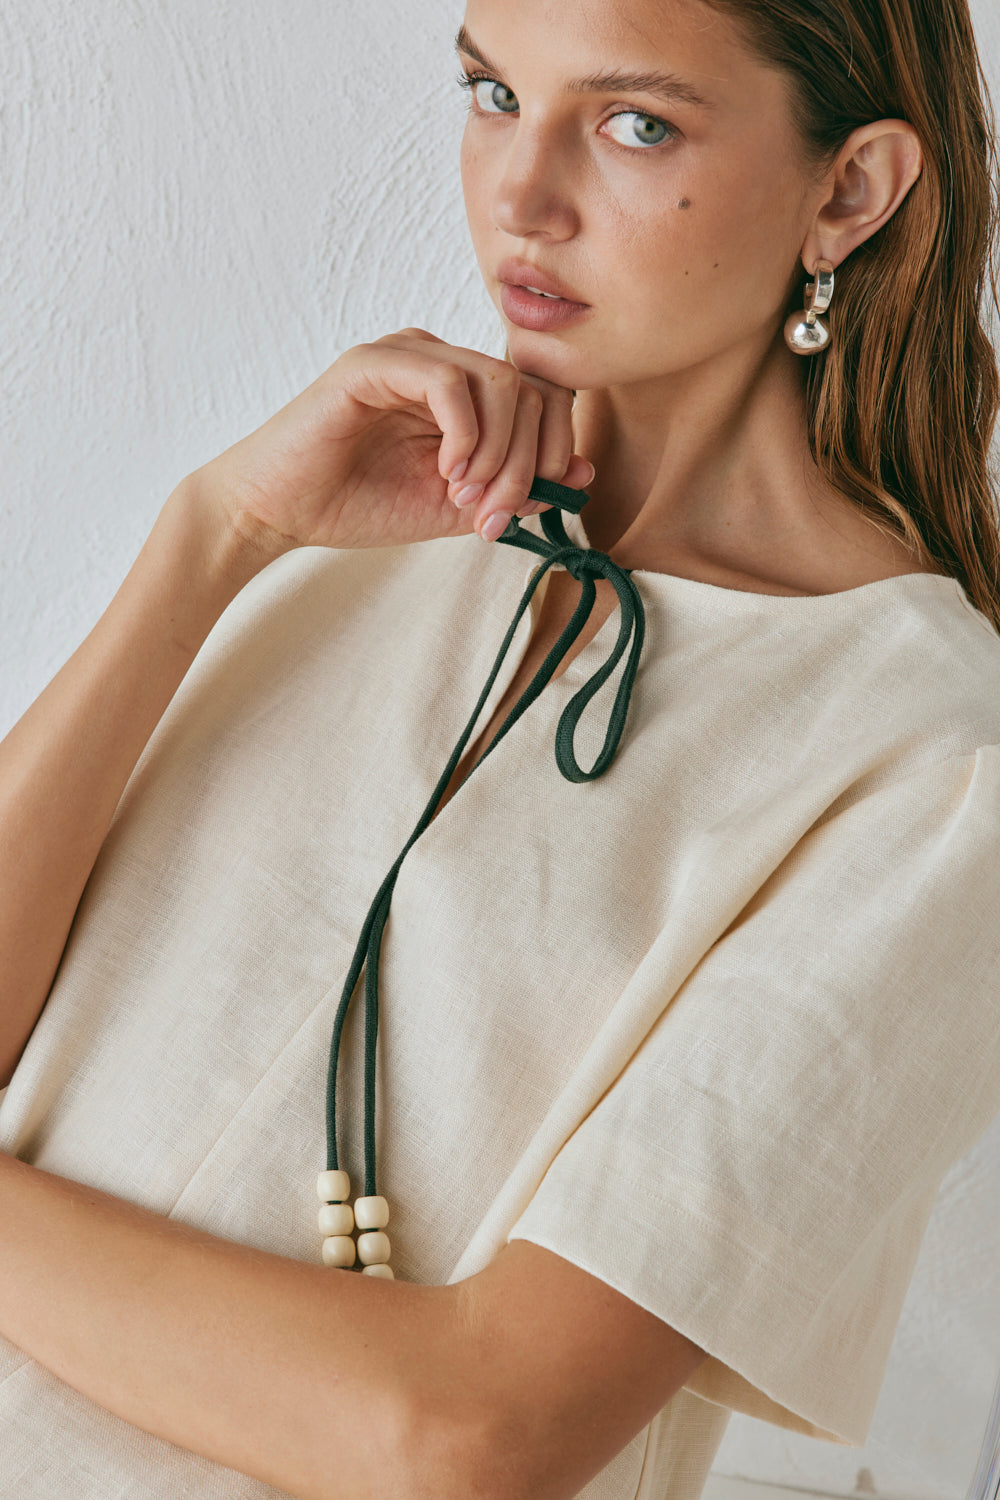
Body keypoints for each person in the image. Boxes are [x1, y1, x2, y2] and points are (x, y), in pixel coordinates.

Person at [1, 0, 999, 1496]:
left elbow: (477, 1436)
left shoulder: (929, 756)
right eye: (491, 94)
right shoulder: (349, 514)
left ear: (849, 190)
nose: (521, 197)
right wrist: (212, 536)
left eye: (635, 124)